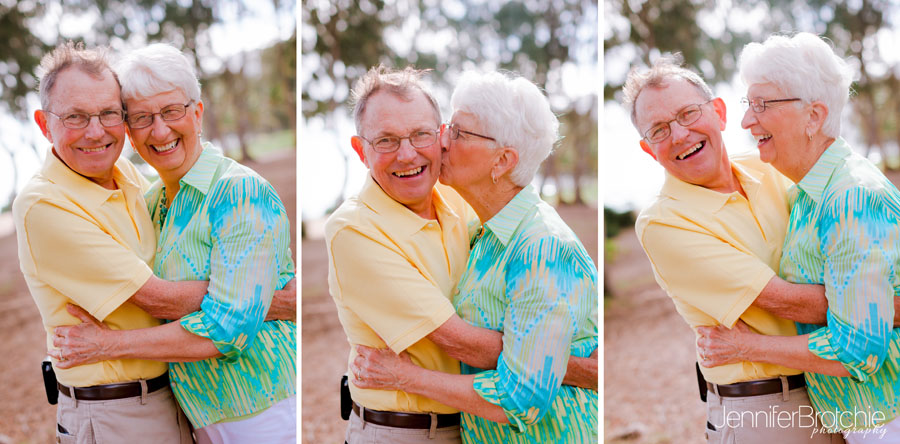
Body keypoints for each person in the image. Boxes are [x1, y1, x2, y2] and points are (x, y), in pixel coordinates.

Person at [325, 65, 597, 444]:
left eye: (429, 134)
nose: (409, 153)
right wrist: (569, 366)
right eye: (385, 141)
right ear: (361, 150)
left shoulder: (486, 216)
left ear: (501, 162)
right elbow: (457, 340)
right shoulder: (354, 230)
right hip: (402, 433)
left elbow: (521, 385)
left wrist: (551, 365)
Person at [47, 43, 297, 444]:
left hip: (264, 410)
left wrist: (109, 345)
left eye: (171, 112)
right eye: (142, 118)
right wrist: (271, 301)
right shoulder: (152, 203)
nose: (159, 131)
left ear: (197, 113)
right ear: (128, 129)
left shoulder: (239, 192)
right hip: (197, 415)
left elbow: (226, 329)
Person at [625, 55, 845, 443]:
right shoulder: (663, 223)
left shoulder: (768, 167)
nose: (679, 134)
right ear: (648, 149)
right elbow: (792, 304)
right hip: (764, 412)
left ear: (720, 113)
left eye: (688, 113)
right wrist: (885, 306)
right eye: (659, 130)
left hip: (837, 389)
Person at [696, 32, 900, 443]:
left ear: (814, 116)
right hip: (859, 420)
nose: (747, 121)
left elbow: (859, 347)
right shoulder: (805, 194)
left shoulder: (851, 196)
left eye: (763, 105)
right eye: (747, 104)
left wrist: (746, 347)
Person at [12, 41, 198, 443]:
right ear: (45, 124)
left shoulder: (127, 176)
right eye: (76, 117)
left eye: (109, 114)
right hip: (114, 415)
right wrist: (270, 299)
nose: (96, 132)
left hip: (176, 398)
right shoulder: (43, 204)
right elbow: (160, 299)